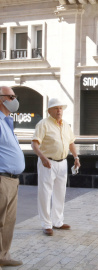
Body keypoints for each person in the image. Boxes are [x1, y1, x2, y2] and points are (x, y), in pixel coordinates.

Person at [31, 98, 80, 236]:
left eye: (61, 108)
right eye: (56, 108)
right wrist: (42, 157)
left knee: (60, 193)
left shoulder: (65, 125)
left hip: (63, 163)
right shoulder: (43, 124)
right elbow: (34, 144)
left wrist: (76, 157)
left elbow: (71, 142)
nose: (59, 111)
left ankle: (57, 222)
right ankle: (46, 224)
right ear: (49, 111)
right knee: (45, 194)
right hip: (48, 163)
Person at [0, 86, 25, 267]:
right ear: (2, 99)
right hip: (2, 179)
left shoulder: (7, 121)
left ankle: (4, 255)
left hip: (12, 179)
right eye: (11, 96)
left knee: (9, 221)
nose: (15, 99)